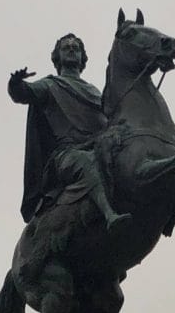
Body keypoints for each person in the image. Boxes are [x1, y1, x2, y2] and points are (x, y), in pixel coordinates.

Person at [8, 33, 130, 230]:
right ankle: (109, 214)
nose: (72, 50)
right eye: (66, 48)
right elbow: (23, 93)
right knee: (87, 163)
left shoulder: (95, 91)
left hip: (96, 146)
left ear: (82, 57)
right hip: (66, 155)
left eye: (76, 48)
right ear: (58, 58)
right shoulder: (50, 85)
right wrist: (15, 84)